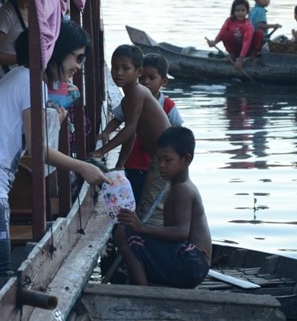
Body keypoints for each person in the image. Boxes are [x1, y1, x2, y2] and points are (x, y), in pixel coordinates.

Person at [0, 31, 110, 296]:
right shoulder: (31, 83)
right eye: (78, 58)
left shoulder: (17, 77)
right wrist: (83, 167)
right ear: (56, 52)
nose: (79, 66)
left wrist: (54, 121)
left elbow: (22, 135)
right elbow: (38, 149)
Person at [114, 126, 211, 288]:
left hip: (192, 262)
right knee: (131, 234)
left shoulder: (183, 189)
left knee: (124, 233)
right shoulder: (178, 186)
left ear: (186, 159)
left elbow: (181, 233)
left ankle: (143, 292)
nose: (161, 165)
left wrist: (141, 227)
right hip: (193, 263)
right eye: (158, 159)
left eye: (167, 160)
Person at [89, 45, 171, 221]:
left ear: (138, 72)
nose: (118, 73)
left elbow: (130, 129)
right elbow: (131, 134)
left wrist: (101, 151)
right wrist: (120, 164)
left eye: (125, 68)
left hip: (165, 158)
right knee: (149, 204)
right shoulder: (129, 97)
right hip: (159, 158)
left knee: (151, 209)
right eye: (115, 67)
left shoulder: (137, 93)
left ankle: (148, 236)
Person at [101, 53, 183, 202]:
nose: (146, 82)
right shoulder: (131, 99)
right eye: (143, 78)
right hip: (135, 160)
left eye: (151, 78)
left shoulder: (167, 104)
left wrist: (102, 151)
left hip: (155, 160)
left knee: (151, 199)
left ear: (164, 81)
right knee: (137, 196)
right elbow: (119, 119)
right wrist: (106, 133)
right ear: (138, 74)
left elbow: (178, 130)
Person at [206, 0, 261, 69]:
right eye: (237, 10)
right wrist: (214, 42)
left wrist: (241, 59)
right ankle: (233, 55)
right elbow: (222, 32)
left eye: (243, 10)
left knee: (259, 34)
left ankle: (252, 56)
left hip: (247, 50)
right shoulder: (229, 21)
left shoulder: (248, 25)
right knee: (226, 34)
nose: (240, 13)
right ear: (233, 12)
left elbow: (246, 42)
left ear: (247, 11)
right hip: (235, 49)